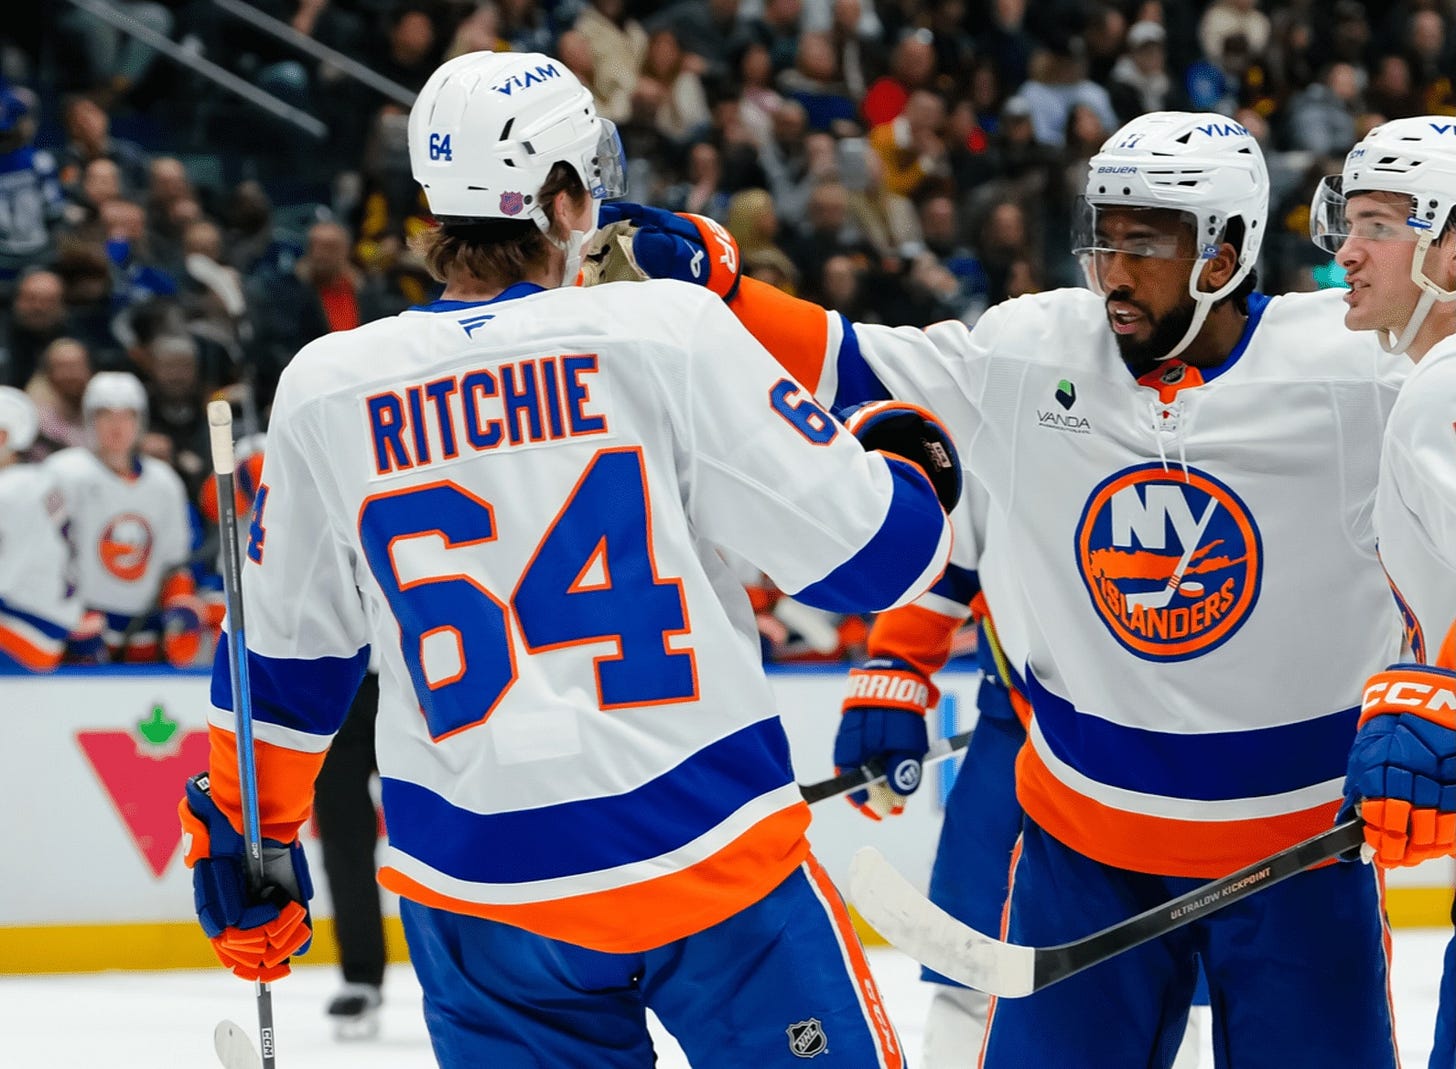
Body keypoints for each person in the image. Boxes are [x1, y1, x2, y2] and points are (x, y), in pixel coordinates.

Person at [177, 50, 963, 1068]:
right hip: (705, 861)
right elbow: (872, 563)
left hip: (481, 900)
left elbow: (287, 665)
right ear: (558, 198)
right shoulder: (662, 329)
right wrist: (901, 453)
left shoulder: (328, 384)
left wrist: (248, 835)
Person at [592, 111, 1409, 1067]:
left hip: (1302, 852)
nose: (1113, 269)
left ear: (1225, 253)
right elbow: (851, 359)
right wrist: (723, 291)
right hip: (1083, 848)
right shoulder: (1036, 350)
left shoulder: (1357, 369)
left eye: (1146, 242)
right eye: (1103, 235)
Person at [1311, 116, 1456, 1069]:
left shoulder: (1443, 390)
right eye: (1347, 222)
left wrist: (1437, 695)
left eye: (1379, 225)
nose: (1347, 252)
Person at [46, 371, 202, 665]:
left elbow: (175, 560)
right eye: (105, 415)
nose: (116, 426)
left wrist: (179, 603)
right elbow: (44, 552)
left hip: (146, 631)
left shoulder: (164, 482)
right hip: (79, 627)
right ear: (90, 420)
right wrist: (62, 612)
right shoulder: (62, 474)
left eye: (126, 416)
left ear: (139, 421)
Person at [0, 386, 87, 672]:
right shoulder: (33, 479)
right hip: (45, 621)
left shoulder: (11, 492)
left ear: (3, 437)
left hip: (29, 632)